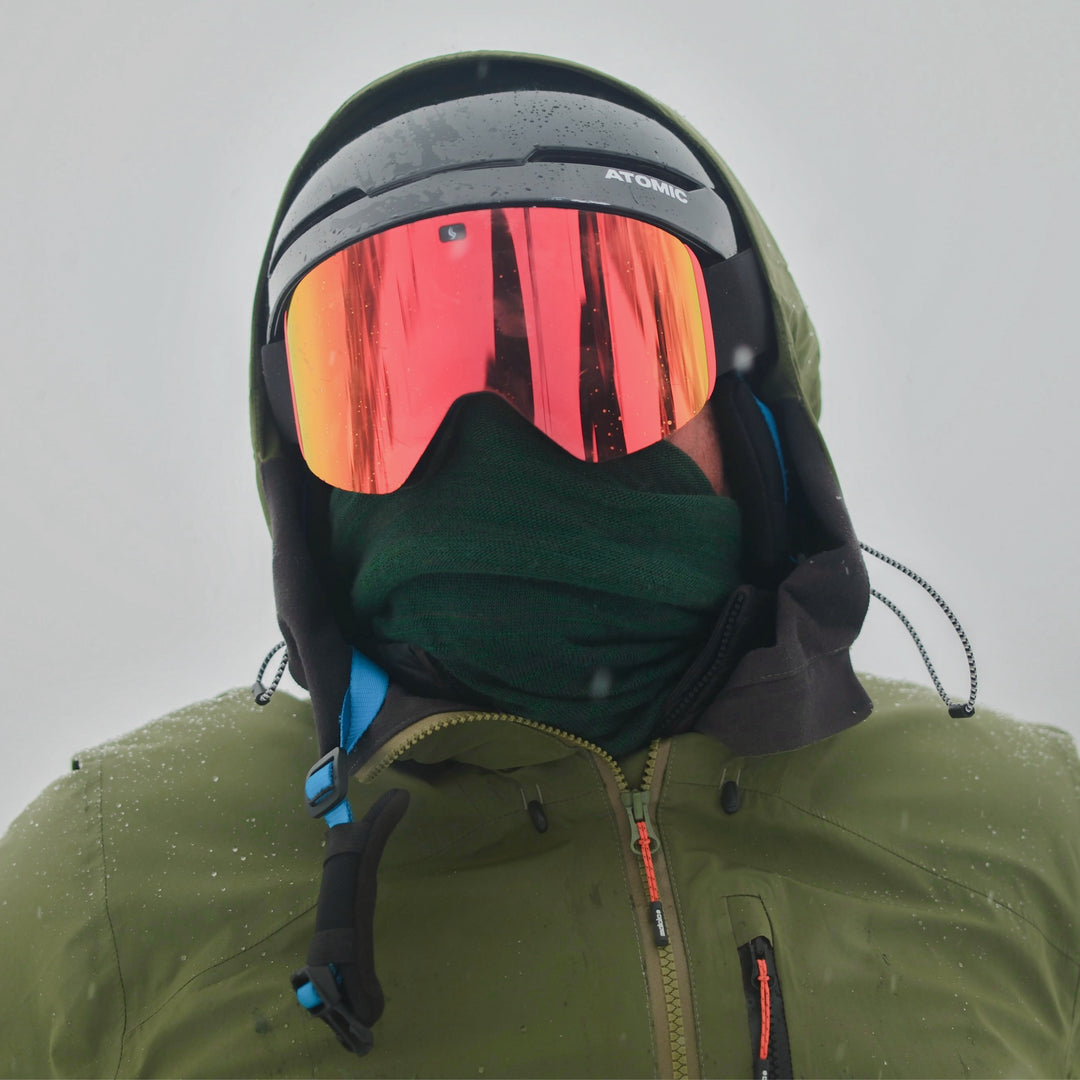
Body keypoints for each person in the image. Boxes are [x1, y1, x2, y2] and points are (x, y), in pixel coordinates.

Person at [1, 51, 1078, 1080]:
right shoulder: (106, 885)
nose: (493, 437)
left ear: (752, 411)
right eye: (391, 394)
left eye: (591, 365)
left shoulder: (1035, 836)